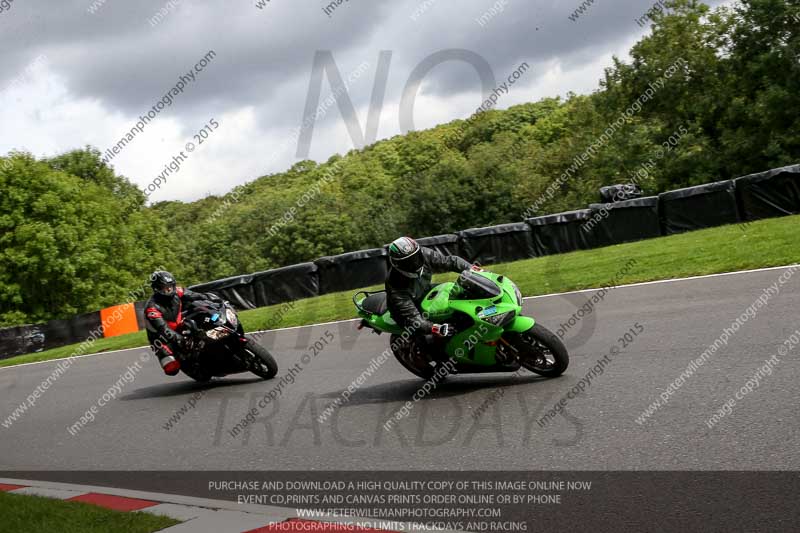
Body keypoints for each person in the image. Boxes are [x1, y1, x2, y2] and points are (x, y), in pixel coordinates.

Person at [385, 236, 479, 338]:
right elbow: (413, 318)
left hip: (426, 290)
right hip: (406, 311)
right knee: (427, 337)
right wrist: (435, 328)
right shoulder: (394, 284)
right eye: (408, 262)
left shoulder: (425, 254)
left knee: (456, 293)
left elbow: (450, 261)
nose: (414, 263)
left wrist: (471, 269)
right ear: (397, 264)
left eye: (415, 257)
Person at [144, 270, 221, 375]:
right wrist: (181, 340)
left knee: (199, 315)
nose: (170, 289)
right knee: (171, 368)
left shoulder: (177, 292)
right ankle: (185, 361)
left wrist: (211, 298)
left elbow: (194, 295)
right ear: (157, 288)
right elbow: (164, 329)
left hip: (179, 323)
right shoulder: (152, 308)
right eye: (165, 287)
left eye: (171, 286)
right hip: (161, 338)